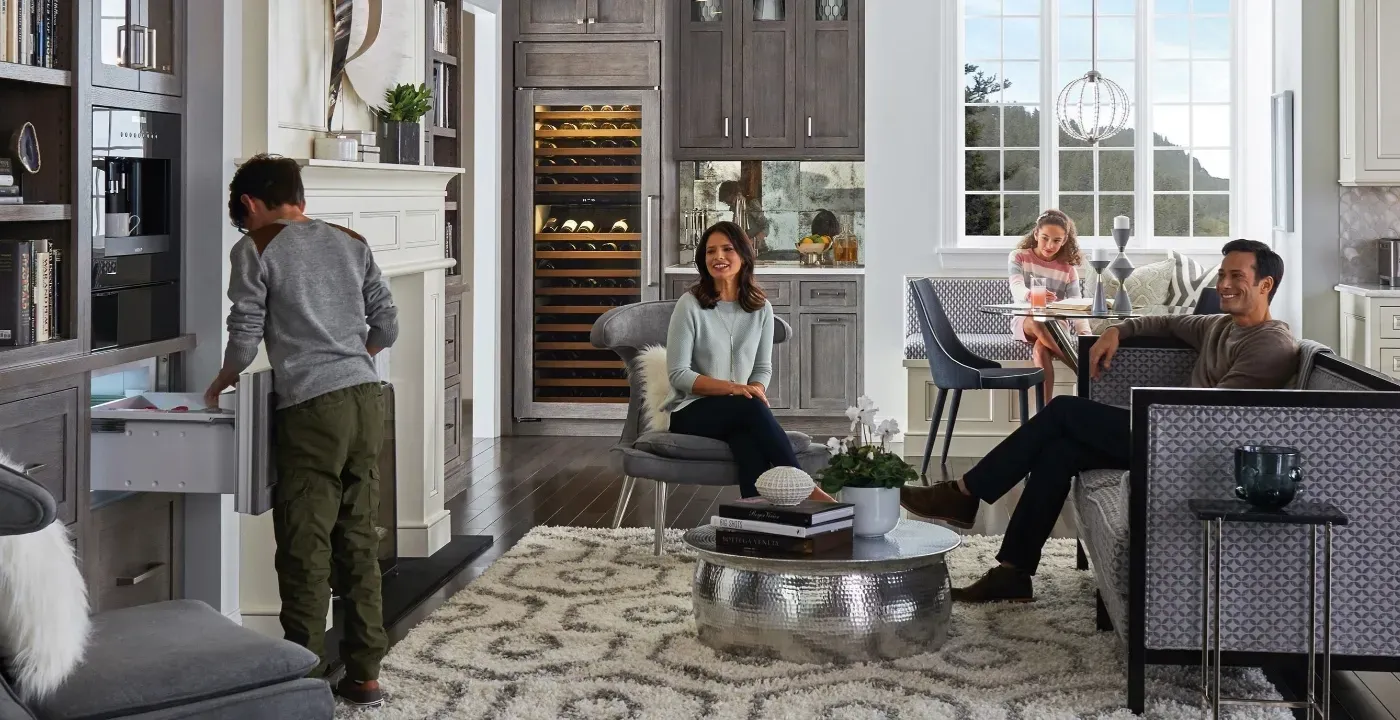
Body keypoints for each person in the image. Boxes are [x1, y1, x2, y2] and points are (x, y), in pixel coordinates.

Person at [900, 239, 1299, 603]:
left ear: (1265, 285)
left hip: (1190, 451)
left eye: (1237, 276)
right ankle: (1012, 573)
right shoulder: (1220, 325)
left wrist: (1150, 413)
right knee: (1060, 451)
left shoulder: (1269, 344)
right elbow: (1161, 322)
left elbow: (1214, 418)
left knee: (1063, 410)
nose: (1224, 284)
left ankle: (965, 492)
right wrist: (1117, 333)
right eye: (1223, 274)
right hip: (1168, 431)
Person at [204, 154, 398, 707]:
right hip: (367, 400)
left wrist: (222, 380)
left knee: (304, 546)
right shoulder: (351, 241)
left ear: (249, 204)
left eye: (243, 218)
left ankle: (305, 682)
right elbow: (387, 324)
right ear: (299, 197)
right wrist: (351, 361)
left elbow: (246, 333)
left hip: (311, 411)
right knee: (358, 538)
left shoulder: (255, 248)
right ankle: (365, 674)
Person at [666, 221, 833, 501]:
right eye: (710, 251)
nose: (718, 257)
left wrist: (753, 388)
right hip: (690, 411)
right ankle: (807, 489)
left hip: (740, 410)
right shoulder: (690, 304)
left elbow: (762, 368)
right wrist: (735, 388)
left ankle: (757, 517)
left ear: (744, 255)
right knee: (749, 407)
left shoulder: (761, 308)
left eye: (727, 249)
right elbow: (678, 374)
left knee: (747, 442)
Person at [1008, 209, 1091, 400]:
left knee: (1041, 350)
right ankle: (1078, 367)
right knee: (1036, 319)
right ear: (1036, 233)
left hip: (1057, 324)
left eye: (1056, 240)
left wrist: (1085, 334)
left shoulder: (1068, 269)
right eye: (1045, 238)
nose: (1049, 245)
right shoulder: (1019, 256)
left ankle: (1044, 411)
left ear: (1064, 240)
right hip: (1026, 320)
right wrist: (1030, 295)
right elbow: (1016, 287)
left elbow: (1076, 304)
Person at [718, 180, 770, 255]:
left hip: (759, 251)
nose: (730, 205)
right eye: (727, 203)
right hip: (744, 251)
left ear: (738, 194)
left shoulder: (751, 204)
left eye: (730, 202)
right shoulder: (734, 208)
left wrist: (752, 241)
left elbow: (766, 227)